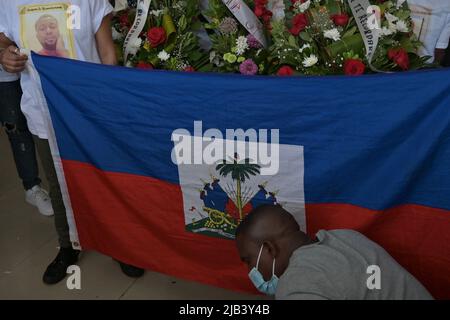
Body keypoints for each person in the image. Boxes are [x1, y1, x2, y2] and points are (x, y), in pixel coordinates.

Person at [0, 0, 144, 284]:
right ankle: (68, 246)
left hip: (89, 108)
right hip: (42, 109)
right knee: (58, 183)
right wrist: (5, 54)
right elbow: (2, 41)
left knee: (102, 179)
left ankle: (118, 246)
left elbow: (106, 52)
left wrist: (108, 101)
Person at [236, 204, 433, 299]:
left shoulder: (297, 284)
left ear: (269, 249)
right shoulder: (346, 238)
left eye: (248, 260)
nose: (249, 271)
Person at [0, 67, 53, 217]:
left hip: (37, 68)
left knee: (50, 124)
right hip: (5, 78)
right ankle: (32, 187)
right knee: (16, 128)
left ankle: (64, 184)